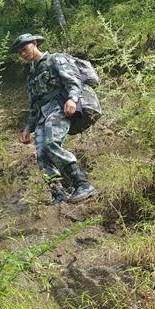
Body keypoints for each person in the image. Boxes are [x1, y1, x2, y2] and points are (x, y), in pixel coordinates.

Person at [13, 33, 98, 204]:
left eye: (25, 49)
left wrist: (72, 99)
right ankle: (58, 194)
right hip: (43, 114)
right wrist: (28, 127)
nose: (23, 53)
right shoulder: (31, 76)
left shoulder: (55, 59)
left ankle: (83, 184)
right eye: (20, 52)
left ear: (35, 43)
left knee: (52, 143)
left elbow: (73, 80)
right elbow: (35, 105)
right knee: (42, 155)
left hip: (60, 106)